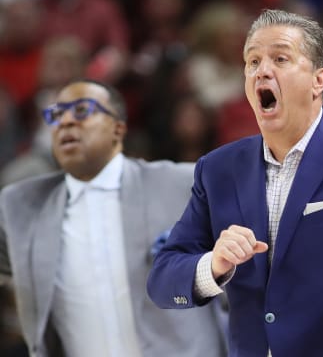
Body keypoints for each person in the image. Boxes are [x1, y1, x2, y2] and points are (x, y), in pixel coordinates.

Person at [147, 9, 323, 356]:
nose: (262, 70)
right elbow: (162, 280)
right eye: (252, 61)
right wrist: (214, 264)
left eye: (280, 58)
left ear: (318, 80)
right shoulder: (217, 169)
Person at [0, 79, 227, 357]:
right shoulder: (22, 207)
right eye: (57, 114)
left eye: (82, 111)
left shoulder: (184, 183)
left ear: (118, 128)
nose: (66, 122)